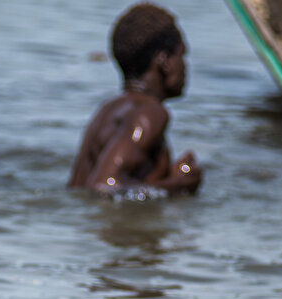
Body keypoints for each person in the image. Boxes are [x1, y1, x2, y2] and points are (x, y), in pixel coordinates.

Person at [68, 3, 202, 196]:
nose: (185, 66)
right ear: (164, 61)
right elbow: (103, 185)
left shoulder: (108, 109)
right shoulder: (151, 113)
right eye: (182, 55)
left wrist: (165, 179)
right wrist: (179, 184)